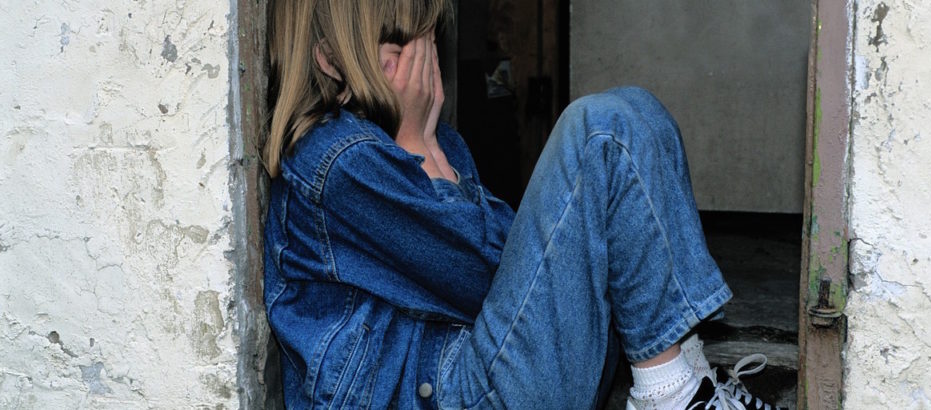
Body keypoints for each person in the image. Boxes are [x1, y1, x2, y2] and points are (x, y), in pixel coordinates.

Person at [262, 0, 787, 409]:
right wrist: (421, 148)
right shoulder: (340, 161)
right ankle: (671, 397)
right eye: (400, 49)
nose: (423, 68)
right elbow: (488, 276)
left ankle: (684, 382)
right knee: (600, 130)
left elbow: (513, 269)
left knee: (636, 110)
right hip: (449, 396)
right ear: (331, 60)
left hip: (486, 375)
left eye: (427, 41)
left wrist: (431, 148)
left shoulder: (416, 141)